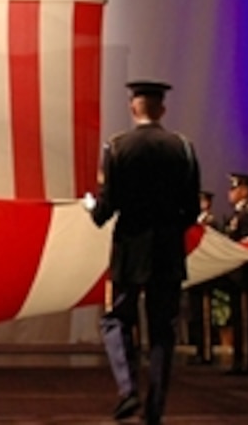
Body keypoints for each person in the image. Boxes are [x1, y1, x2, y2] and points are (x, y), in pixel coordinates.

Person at [83, 80, 200, 425]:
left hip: (130, 249)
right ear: (162, 109)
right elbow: (192, 209)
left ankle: (128, 388)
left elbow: (107, 208)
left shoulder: (117, 147)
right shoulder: (183, 148)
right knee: (163, 329)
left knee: (117, 319)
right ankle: (155, 408)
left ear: (134, 107)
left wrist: (94, 208)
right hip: (167, 249)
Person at [220, 172, 248, 377]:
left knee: (245, 319)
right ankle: (238, 359)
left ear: (244, 190)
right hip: (235, 275)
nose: (231, 193)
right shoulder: (235, 215)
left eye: (234, 188)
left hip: (245, 275)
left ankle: (246, 361)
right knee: (237, 318)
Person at [185, 190, 217, 365]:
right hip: (195, 274)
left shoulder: (209, 222)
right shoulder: (195, 223)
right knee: (195, 315)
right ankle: (199, 349)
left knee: (204, 316)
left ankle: (206, 351)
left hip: (206, 276)